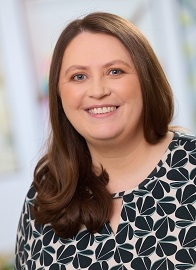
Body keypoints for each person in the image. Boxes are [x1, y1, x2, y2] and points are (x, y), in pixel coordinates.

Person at [15, 11, 196, 270]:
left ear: (146, 80)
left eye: (115, 71)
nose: (98, 91)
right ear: (58, 93)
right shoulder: (45, 194)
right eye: (79, 76)